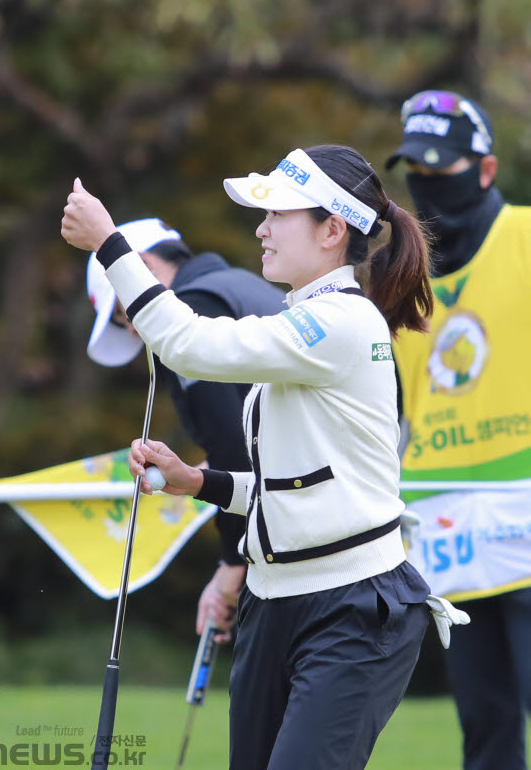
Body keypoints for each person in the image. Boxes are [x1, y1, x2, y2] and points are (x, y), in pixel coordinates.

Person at [61, 148, 469, 770]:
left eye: (278, 214)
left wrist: (111, 247)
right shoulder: (306, 320)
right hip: (274, 602)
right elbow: (298, 486)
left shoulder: (341, 322)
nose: (261, 228)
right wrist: (197, 481)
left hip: (356, 610)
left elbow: (188, 344)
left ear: (333, 231)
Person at [387, 90, 531, 770]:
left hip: (526, 514)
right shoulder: (401, 277)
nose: (426, 185)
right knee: (484, 725)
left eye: (441, 169)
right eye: (416, 171)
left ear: (485, 169)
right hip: (446, 531)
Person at [85, 217, 282, 642]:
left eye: (125, 313)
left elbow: (232, 444)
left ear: (143, 268)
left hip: (293, 531)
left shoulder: (193, 311)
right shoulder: (236, 284)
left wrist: (231, 566)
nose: (137, 331)